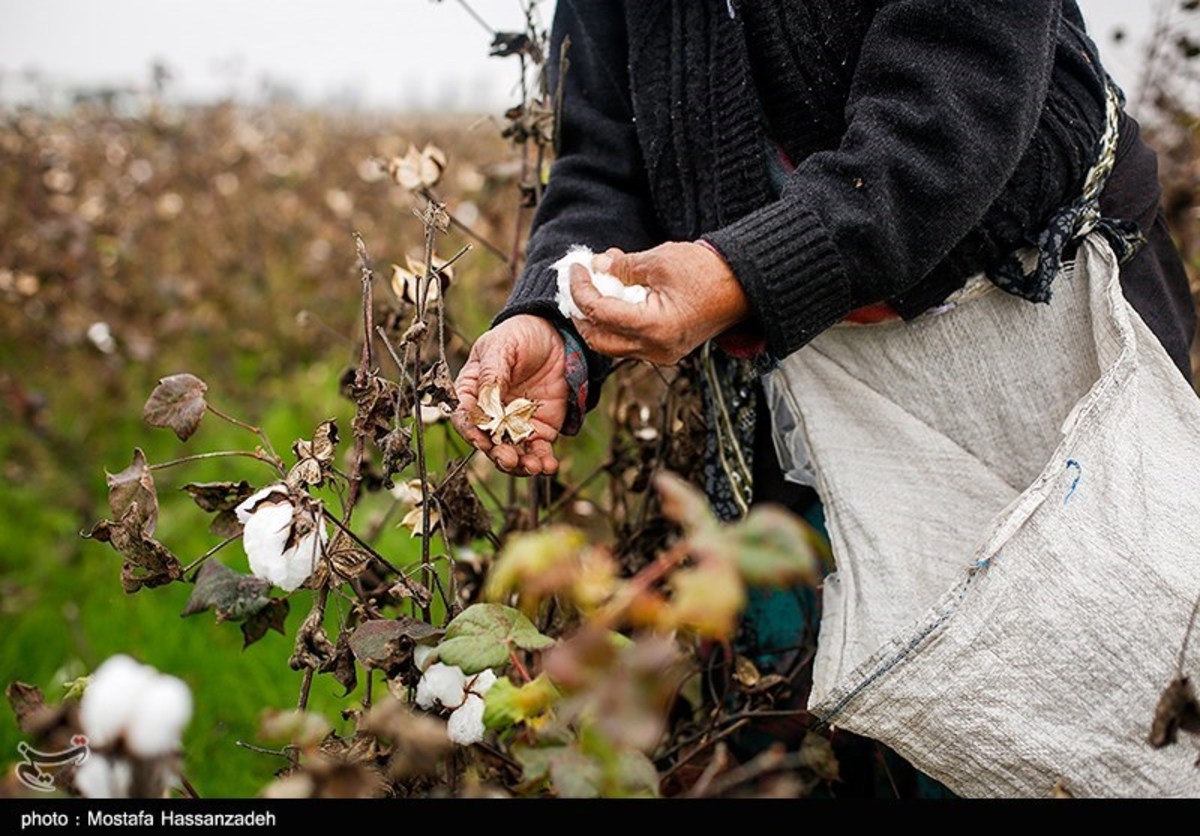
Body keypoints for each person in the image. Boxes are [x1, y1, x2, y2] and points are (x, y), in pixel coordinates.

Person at [451, 1, 1196, 796]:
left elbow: (958, 98)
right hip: (792, 383)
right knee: (816, 728)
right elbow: (605, 163)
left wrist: (741, 273)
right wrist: (557, 317)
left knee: (1087, 701)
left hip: (1023, 335)